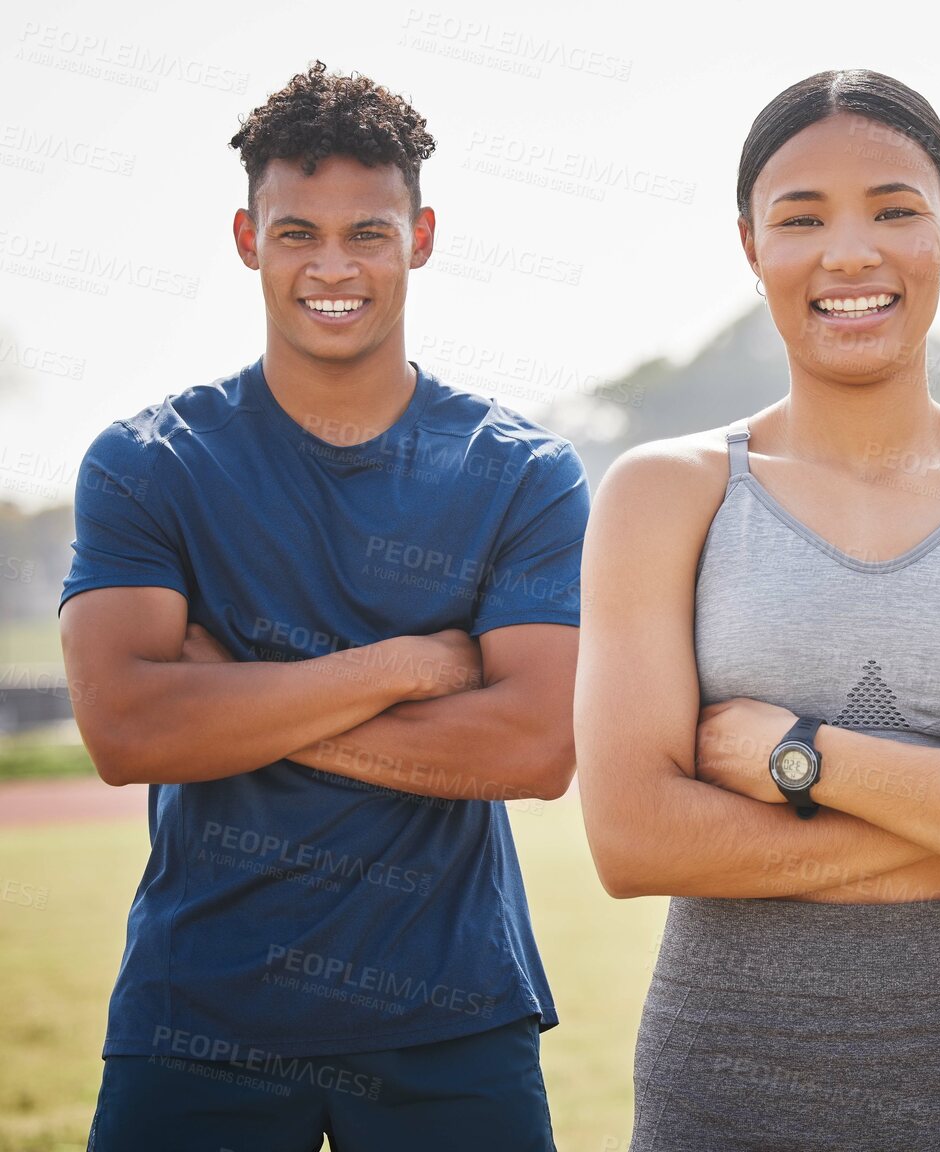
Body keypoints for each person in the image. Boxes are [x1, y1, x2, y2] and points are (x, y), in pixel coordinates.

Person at [572, 69, 940, 1150]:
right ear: (750, 245)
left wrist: (800, 759)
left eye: (894, 210)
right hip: (726, 1087)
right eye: (802, 219)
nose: (851, 253)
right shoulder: (664, 494)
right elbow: (633, 840)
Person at [59, 62, 585, 1151]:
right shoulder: (149, 463)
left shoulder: (523, 472)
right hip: (197, 1014)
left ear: (422, 236)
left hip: (454, 1017)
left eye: (369, 233)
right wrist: (394, 668)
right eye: (298, 233)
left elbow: (534, 749)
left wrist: (234, 703)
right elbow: (127, 731)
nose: (332, 266)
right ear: (249, 240)